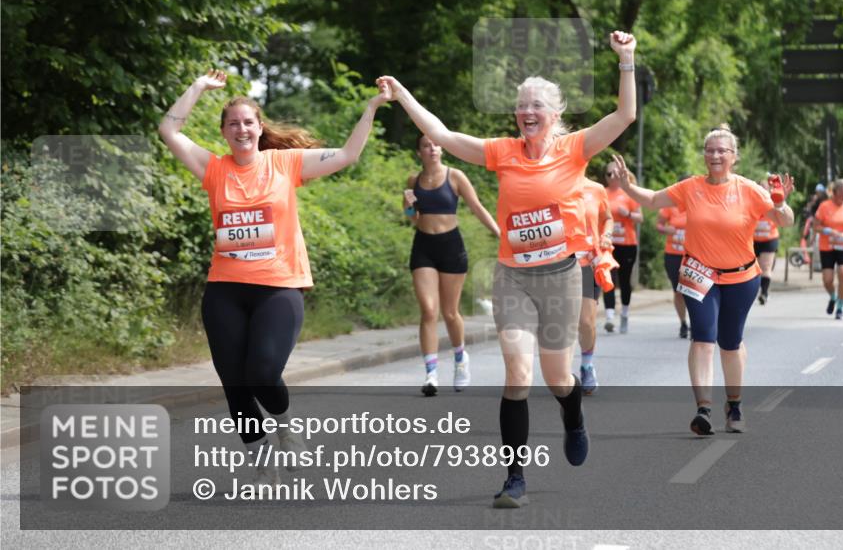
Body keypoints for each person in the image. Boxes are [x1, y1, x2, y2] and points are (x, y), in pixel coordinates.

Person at [378, 29, 637, 508]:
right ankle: (514, 477)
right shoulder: (503, 152)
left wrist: (626, 59)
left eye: (537, 105)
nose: (527, 112)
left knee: (558, 378)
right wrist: (403, 96)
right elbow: (443, 135)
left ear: (554, 115)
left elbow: (624, 115)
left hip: (559, 276)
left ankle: (573, 415)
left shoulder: (575, 148)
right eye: (521, 106)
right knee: (518, 375)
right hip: (514, 276)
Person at [158, 70, 388, 486]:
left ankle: (285, 426)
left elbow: (348, 155)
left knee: (261, 373)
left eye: (248, 122)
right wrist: (197, 87)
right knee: (234, 381)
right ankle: (255, 444)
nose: (241, 129)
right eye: (233, 124)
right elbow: (168, 129)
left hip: (278, 288)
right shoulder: (213, 170)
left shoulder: (284, 164)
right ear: (224, 132)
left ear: (259, 128)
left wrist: (370, 108)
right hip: (225, 290)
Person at [611, 125, 794, 436]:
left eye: (723, 150)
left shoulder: (749, 189)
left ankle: (734, 404)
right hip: (699, 274)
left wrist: (779, 203)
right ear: (704, 156)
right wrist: (627, 186)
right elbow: (654, 200)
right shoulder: (691, 188)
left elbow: (784, 221)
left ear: (734, 157)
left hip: (742, 277)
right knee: (703, 339)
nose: (716, 155)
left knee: (730, 342)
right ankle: (704, 409)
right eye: (710, 150)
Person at [403, 135, 501, 396]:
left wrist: (499, 233)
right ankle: (431, 374)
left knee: (449, 312)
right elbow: (412, 216)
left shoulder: (455, 176)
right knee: (428, 310)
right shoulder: (413, 181)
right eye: (426, 145)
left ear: (442, 149)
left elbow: (477, 207)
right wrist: (410, 208)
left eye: (436, 144)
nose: (432, 148)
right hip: (423, 246)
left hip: (451, 247)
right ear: (419, 151)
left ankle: (460, 359)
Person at [577, 177, 615, 394]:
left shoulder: (596, 189)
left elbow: (607, 218)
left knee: (586, 321)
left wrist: (606, 234)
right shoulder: (549, 184)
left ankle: (586, 365)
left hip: (587, 261)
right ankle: (560, 372)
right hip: (557, 262)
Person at [602, 164, 642, 334]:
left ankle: (624, 313)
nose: (612, 177)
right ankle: (610, 317)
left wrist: (628, 214)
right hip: (607, 243)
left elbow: (640, 218)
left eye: (615, 174)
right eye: (608, 174)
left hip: (627, 243)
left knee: (625, 281)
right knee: (607, 278)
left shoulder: (629, 193)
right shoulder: (601, 192)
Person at [813, 179, 843, 320]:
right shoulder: (824, 206)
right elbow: (816, 226)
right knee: (827, 280)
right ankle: (833, 296)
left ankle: (840, 308)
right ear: (836, 191)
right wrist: (828, 231)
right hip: (827, 246)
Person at [656, 194, 690, 338]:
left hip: (693, 256)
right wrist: (665, 229)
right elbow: (659, 224)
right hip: (673, 255)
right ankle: (683, 323)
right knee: (678, 291)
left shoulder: (698, 205)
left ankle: (697, 323)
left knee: (692, 292)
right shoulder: (669, 206)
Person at [753, 181, 781, 306]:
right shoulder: (751, 203)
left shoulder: (773, 204)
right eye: (760, 189)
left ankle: (764, 293)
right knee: (757, 269)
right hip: (753, 240)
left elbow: (782, 216)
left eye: (765, 189)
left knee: (766, 267)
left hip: (769, 239)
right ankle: (761, 290)